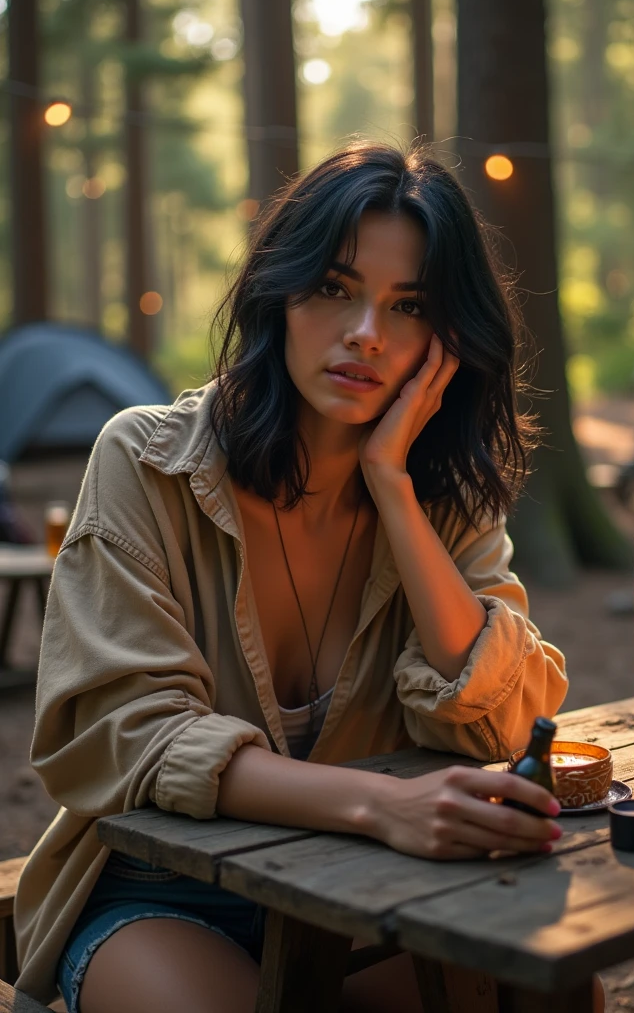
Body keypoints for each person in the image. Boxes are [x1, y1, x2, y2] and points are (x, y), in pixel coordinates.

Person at [14, 142, 590, 1013]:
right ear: (278, 295)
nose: (366, 333)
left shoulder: (443, 497)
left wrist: (394, 489)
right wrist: (377, 806)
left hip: (366, 896)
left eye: (409, 307)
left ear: (445, 338)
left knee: (550, 986)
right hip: (163, 893)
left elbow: (512, 719)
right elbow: (122, 733)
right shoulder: (149, 459)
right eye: (334, 288)